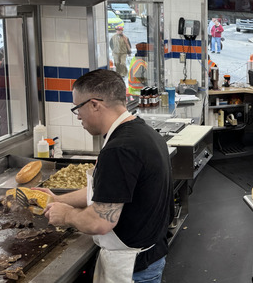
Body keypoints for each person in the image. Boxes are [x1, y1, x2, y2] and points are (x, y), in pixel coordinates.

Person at [41, 69, 172, 282]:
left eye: (77, 108)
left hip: (133, 269)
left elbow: (100, 222)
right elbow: (109, 191)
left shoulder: (119, 149)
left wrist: (66, 215)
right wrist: (57, 200)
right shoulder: (142, 132)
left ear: (94, 104)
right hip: (150, 256)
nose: (78, 117)